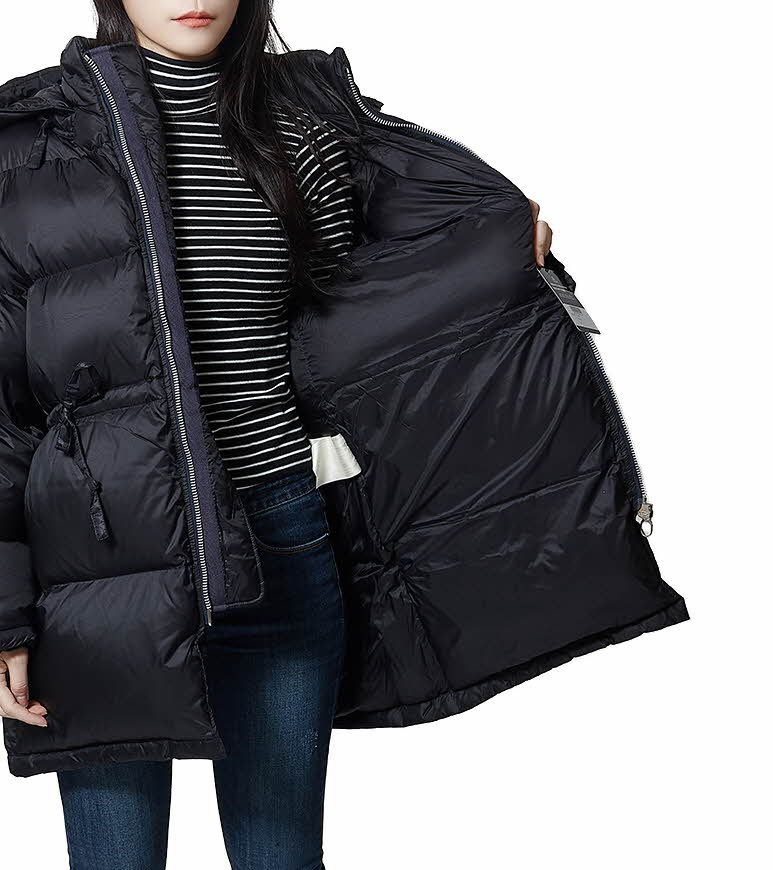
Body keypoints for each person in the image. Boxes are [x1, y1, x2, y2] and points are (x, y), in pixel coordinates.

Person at [0, 1, 689, 868]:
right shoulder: (29, 147)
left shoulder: (301, 125)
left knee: (282, 856)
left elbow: (371, 303)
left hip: (284, 536)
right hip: (100, 569)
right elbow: (5, 407)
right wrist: (5, 614)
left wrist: (505, 237)